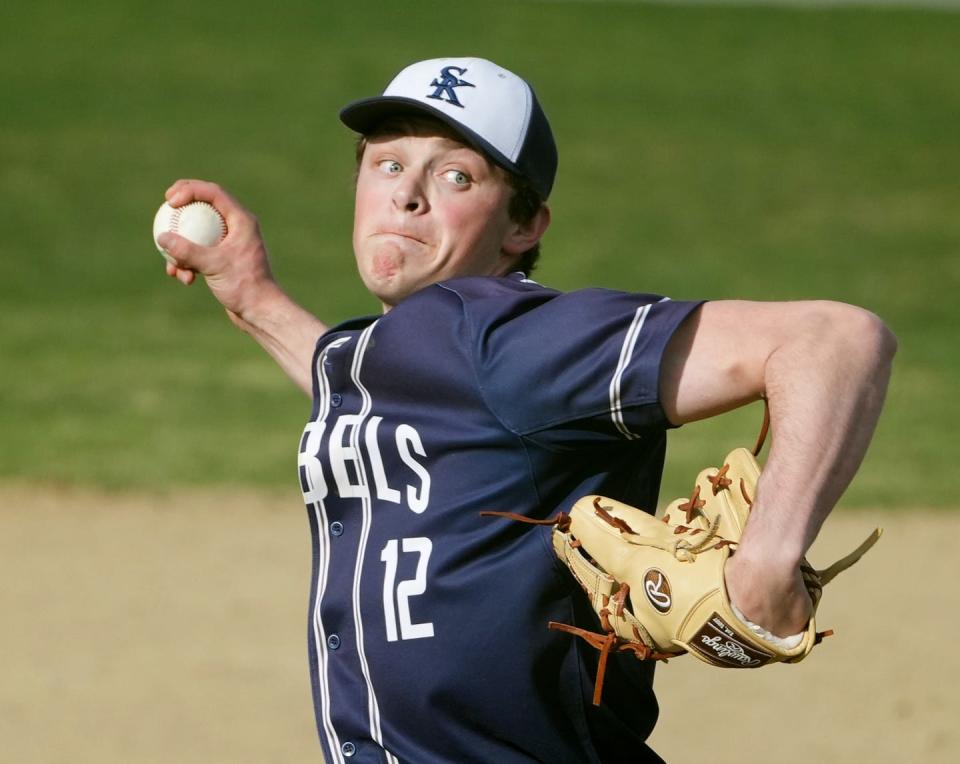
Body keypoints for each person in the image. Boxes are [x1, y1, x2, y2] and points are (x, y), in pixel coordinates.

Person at [155, 57, 896, 763]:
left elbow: (834, 340)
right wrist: (253, 297)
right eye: (387, 164)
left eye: (454, 175)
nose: (407, 194)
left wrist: (767, 559)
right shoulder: (418, 348)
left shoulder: (507, 335)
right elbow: (384, 410)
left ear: (524, 226)